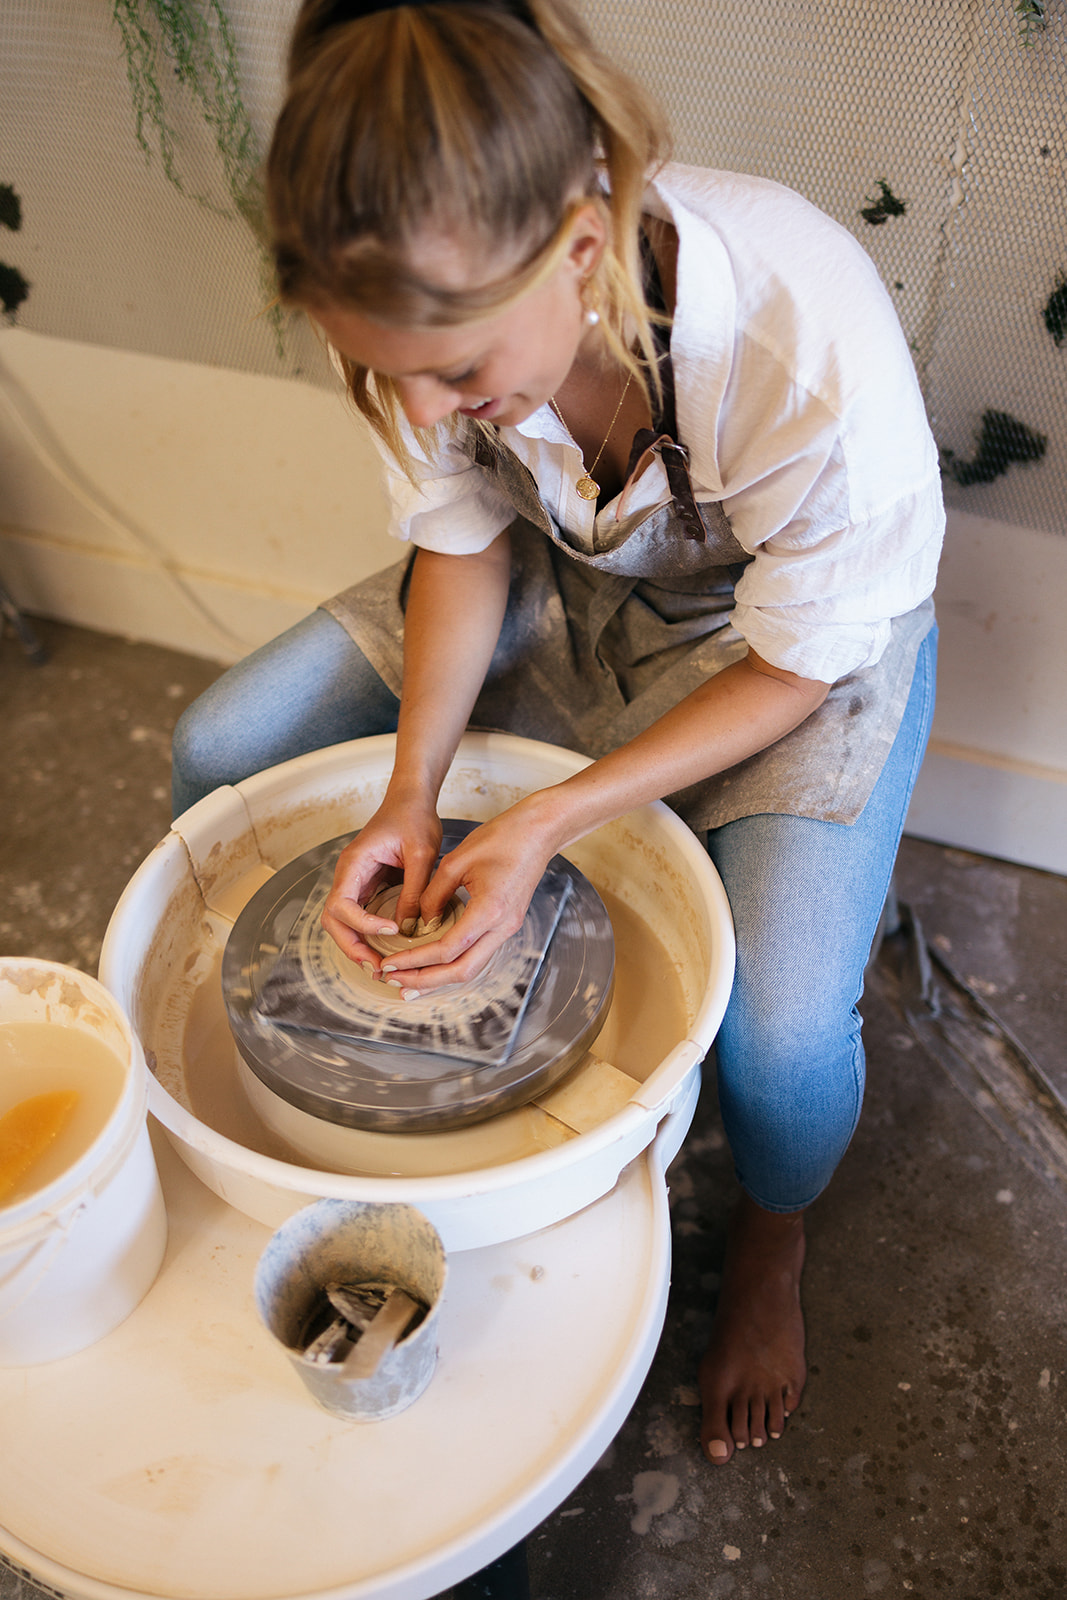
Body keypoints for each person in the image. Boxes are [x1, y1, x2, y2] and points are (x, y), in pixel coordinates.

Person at [172, 0, 943, 1466]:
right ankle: (290, 1114)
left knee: (778, 1044)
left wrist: (541, 819)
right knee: (222, 752)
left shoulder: (799, 337)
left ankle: (775, 1240)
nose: (423, 404)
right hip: (559, 569)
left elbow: (796, 663)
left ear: (581, 253)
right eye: (386, 369)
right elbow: (460, 544)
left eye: (456, 375)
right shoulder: (416, 324)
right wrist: (413, 793)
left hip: (784, 646)